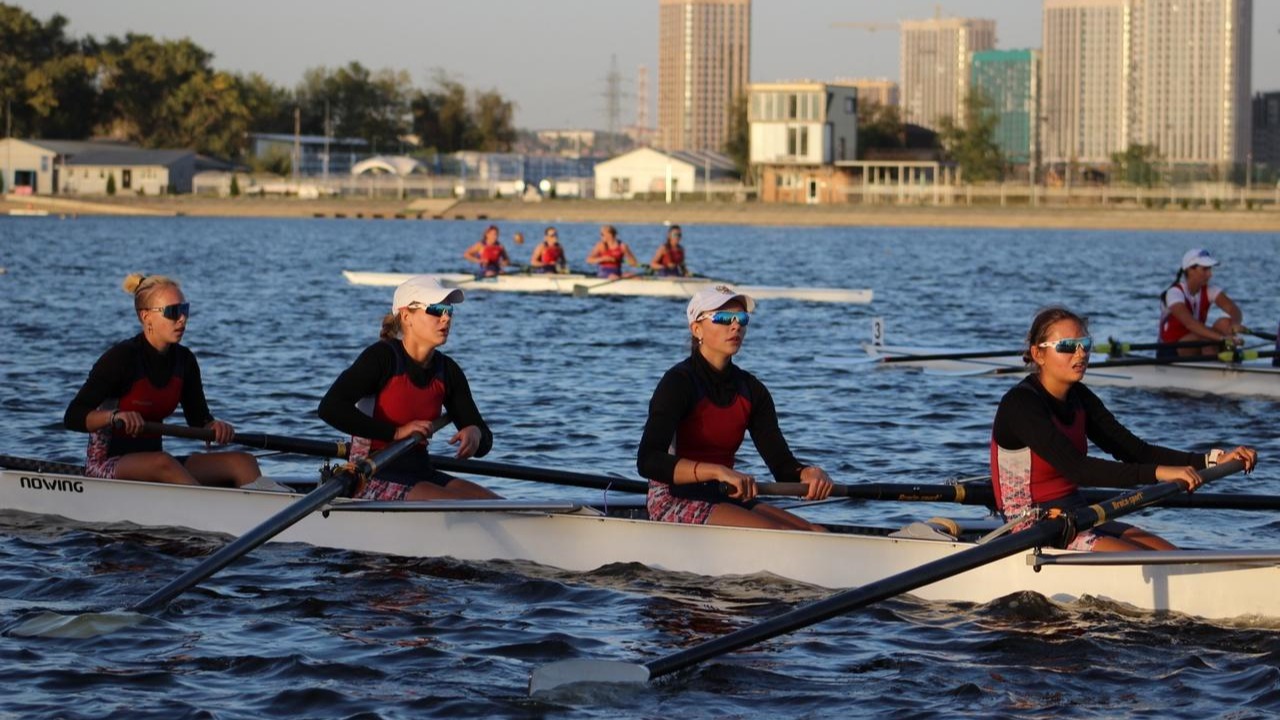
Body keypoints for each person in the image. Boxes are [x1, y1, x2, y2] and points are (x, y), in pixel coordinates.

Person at [992, 306, 1258, 551]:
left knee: (1170, 555)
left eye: (1084, 344)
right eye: (1068, 346)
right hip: (1031, 527)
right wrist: (1160, 473)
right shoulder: (1020, 404)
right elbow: (1078, 468)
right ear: (1038, 353)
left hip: (1077, 513)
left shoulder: (1080, 396)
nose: (1080, 353)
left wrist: (1212, 460)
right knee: (1152, 564)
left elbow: (1135, 450)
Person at [637, 285, 834, 530]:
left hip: (724, 492)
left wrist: (807, 473)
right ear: (696, 328)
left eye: (741, 319)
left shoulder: (753, 390)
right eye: (723, 318)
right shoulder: (677, 383)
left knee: (816, 533)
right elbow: (648, 461)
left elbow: (782, 466)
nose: (736, 326)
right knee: (775, 534)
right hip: (673, 497)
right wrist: (717, 471)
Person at [63, 273, 262, 487]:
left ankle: (271, 512)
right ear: (146, 316)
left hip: (156, 462)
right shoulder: (120, 358)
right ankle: (211, 511)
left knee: (243, 462)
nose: (182, 319)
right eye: (173, 312)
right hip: (106, 465)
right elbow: (73, 417)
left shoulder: (185, 360)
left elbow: (199, 420)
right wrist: (114, 417)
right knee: (163, 462)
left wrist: (213, 426)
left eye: (184, 310)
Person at [319, 275, 499, 501]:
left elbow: (484, 441)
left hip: (420, 471)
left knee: (500, 506)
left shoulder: (448, 371)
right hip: (368, 474)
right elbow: (330, 408)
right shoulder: (381, 358)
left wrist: (475, 434)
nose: (446, 318)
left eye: (449, 310)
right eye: (435, 309)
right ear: (406, 316)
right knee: (453, 504)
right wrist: (395, 432)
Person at [1158, 248, 1245, 357]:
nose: (1210, 274)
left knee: (1225, 323)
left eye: (1210, 269)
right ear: (1190, 270)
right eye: (1205, 269)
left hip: (1193, 344)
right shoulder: (1174, 293)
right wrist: (1222, 338)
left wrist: (1234, 325)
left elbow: (1234, 309)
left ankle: (1226, 360)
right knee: (1205, 337)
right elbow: (1190, 324)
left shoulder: (1209, 290)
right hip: (1169, 351)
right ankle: (1216, 366)